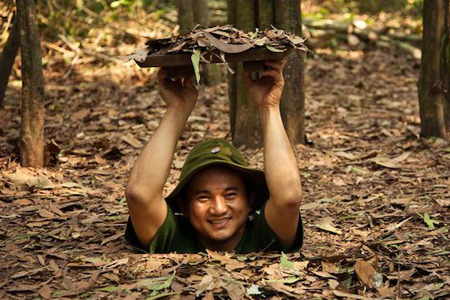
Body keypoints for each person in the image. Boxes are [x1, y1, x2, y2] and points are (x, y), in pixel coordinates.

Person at [124, 59, 303, 253]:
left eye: (231, 195)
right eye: (203, 197)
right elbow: (140, 195)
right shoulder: (174, 238)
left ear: (250, 200)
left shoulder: (262, 238)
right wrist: (176, 109)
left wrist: (269, 107)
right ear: (183, 206)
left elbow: (289, 198)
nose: (219, 209)